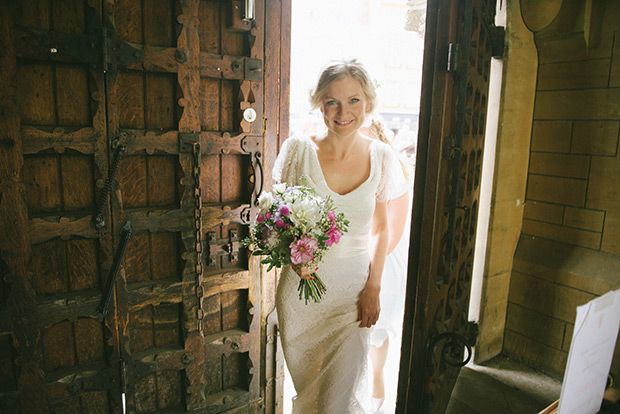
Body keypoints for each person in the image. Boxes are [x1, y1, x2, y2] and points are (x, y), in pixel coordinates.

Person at [273, 59, 400, 413]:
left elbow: (380, 227)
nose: (343, 112)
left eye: (354, 101)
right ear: (319, 103)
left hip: (354, 295)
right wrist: (293, 257)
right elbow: (279, 218)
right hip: (302, 294)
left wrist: (373, 286)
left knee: (337, 399)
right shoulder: (298, 152)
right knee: (310, 394)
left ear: (368, 103)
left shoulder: (382, 157)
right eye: (332, 101)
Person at [366, 119, 415, 412]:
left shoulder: (393, 172)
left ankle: (376, 382)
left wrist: (369, 271)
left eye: (367, 137)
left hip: (384, 259)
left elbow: (392, 235)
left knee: (376, 329)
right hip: (356, 254)